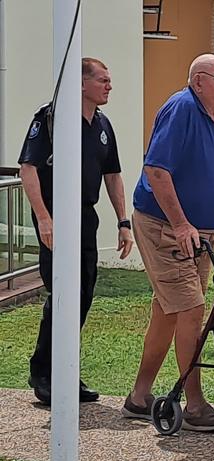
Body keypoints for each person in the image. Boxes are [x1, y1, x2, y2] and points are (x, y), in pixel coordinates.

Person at [122, 54, 214, 431]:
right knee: (191, 307)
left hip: (201, 232)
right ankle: (193, 405)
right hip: (163, 227)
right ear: (199, 81)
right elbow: (156, 170)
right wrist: (181, 223)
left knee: (170, 309)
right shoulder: (182, 109)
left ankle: (140, 397)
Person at [18, 57, 134, 405]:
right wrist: (43, 218)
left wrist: (123, 221)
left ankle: (65, 371)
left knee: (82, 297)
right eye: (103, 80)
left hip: (86, 218)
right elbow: (28, 169)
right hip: (56, 218)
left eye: (109, 80)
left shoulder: (102, 123)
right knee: (62, 297)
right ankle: (44, 374)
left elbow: (113, 174)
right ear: (81, 84)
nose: (109, 85)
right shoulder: (51, 118)